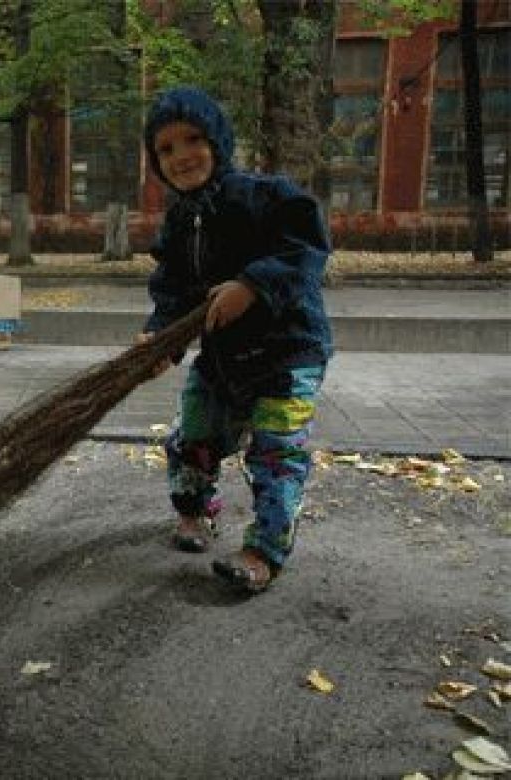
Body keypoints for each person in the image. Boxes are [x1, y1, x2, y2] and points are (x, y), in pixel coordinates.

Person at [137, 86, 333, 594]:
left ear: (218, 142)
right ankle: (196, 512)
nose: (181, 156)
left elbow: (306, 247)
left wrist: (252, 285)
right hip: (222, 357)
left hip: (287, 354)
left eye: (193, 140)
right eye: (165, 149)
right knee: (193, 435)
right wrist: (161, 339)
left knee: (276, 453)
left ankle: (264, 552)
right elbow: (173, 290)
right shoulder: (179, 222)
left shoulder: (263, 195)